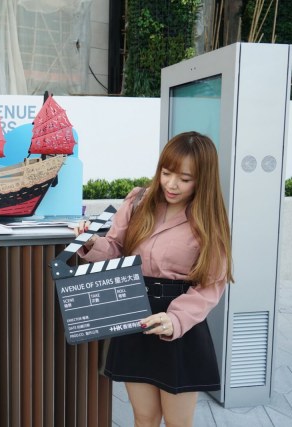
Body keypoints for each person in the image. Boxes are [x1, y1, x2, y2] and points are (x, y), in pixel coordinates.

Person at [75, 131, 234, 427]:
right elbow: (116, 248)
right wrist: (91, 243)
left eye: (184, 179)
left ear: (202, 179)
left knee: (177, 422)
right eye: (166, 173)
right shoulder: (139, 201)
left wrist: (175, 319)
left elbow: (211, 284)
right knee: (144, 418)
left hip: (179, 325)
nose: (171, 184)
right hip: (135, 313)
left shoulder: (207, 219)